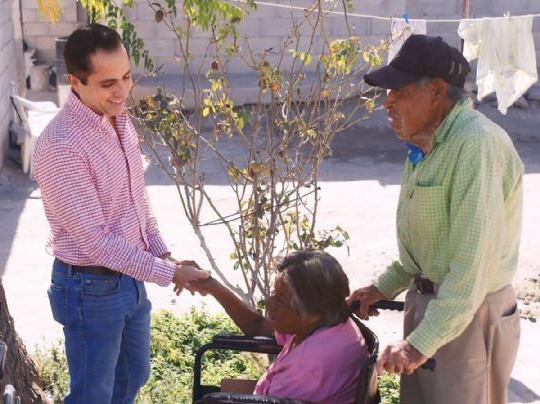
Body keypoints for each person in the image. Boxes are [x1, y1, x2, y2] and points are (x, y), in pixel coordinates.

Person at [32, 23, 210, 404]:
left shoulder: (119, 120)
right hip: (88, 287)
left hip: (130, 277)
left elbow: (134, 202)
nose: (122, 90)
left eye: (127, 77)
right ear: (75, 82)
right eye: (108, 82)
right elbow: (96, 242)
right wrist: (171, 273)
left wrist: (163, 254)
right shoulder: (62, 147)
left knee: (133, 375)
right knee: (92, 395)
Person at [348, 34, 523, 404]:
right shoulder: (425, 145)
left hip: (469, 315)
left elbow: (469, 268)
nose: (387, 102)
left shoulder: (475, 145)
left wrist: (416, 346)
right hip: (434, 310)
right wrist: (384, 287)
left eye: (399, 91)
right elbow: (425, 252)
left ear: (438, 91)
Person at [188, 251, 368, 404]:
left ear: (313, 311)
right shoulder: (326, 324)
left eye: (281, 297)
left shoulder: (306, 369)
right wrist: (213, 287)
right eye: (274, 292)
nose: (270, 302)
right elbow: (258, 327)